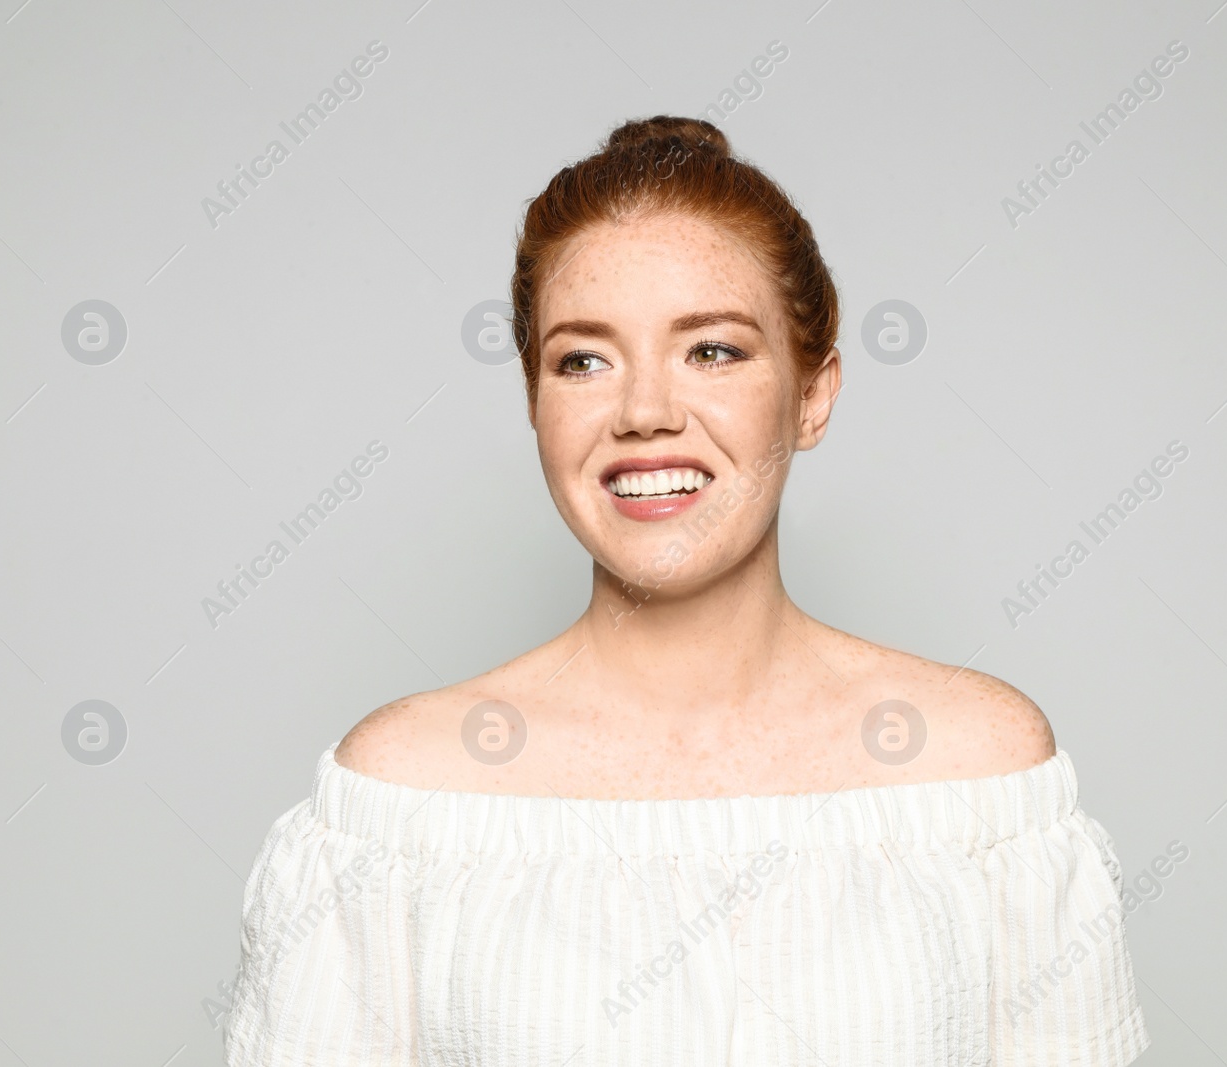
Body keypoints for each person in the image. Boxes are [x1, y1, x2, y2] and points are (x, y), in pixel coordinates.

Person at [225, 115, 1149, 1066]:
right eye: (583, 359)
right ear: (534, 403)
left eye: (712, 350)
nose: (645, 413)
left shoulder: (981, 782)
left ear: (813, 392)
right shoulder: (399, 804)